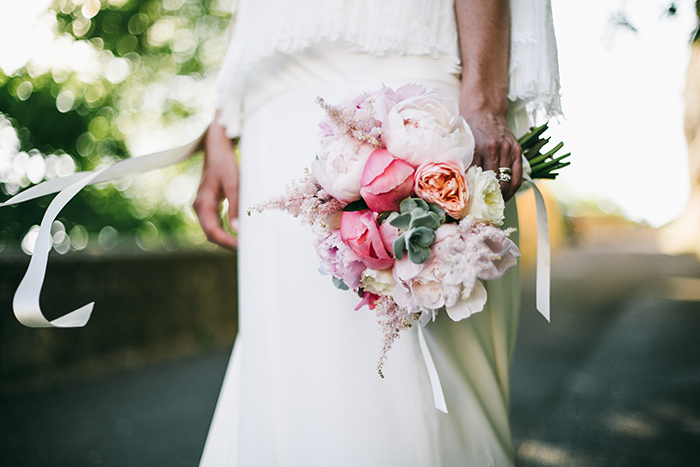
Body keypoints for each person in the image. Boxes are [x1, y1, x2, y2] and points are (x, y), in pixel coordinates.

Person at [194, 0, 561, 465]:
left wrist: (485, 100)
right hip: (272, 103)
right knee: (285, 379)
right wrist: (220, 127)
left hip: (414, 69)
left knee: (430, 393)